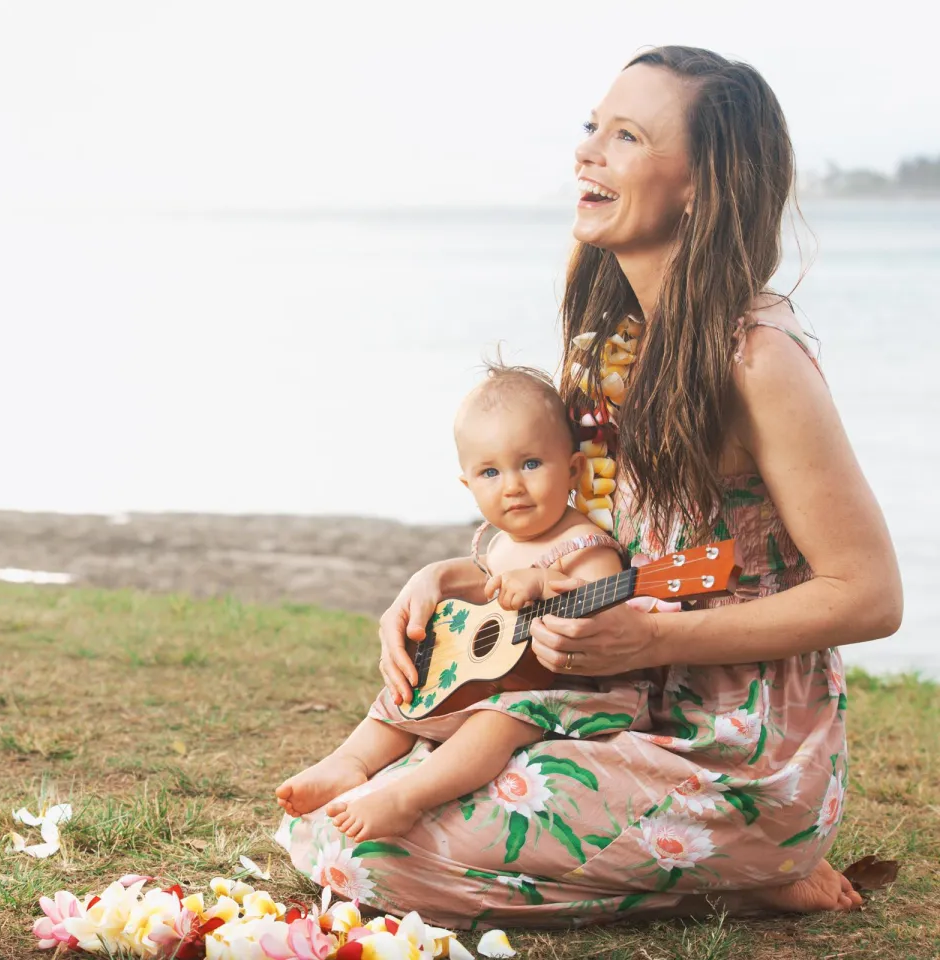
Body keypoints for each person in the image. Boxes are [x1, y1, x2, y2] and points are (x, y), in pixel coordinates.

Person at [274, 45, 902, 929]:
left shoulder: (759, 360)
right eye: (590, 129)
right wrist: (446, 580)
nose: (587, 154)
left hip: (735, 746)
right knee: (346, 812)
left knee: (363, 851)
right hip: (601, 704)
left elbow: (870, 596)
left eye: (627, 136)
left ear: (700, 183)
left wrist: (647, 639)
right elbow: (590, 539)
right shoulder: (608, 328)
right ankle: (722, 873)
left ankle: (750, 861)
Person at [276, 363, 628, 843]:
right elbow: (481, 604)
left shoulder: (585, 543)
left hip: (562, 696)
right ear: (468, 485)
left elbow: (604, 615)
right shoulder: (501, 545)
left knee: (498, 720)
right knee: (409, 692)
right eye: (490, 471)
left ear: (571, 469)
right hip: (499, 682)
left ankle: (406, 799)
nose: (512, 486)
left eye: (530, 464)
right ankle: (349, 762)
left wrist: (546, 584)